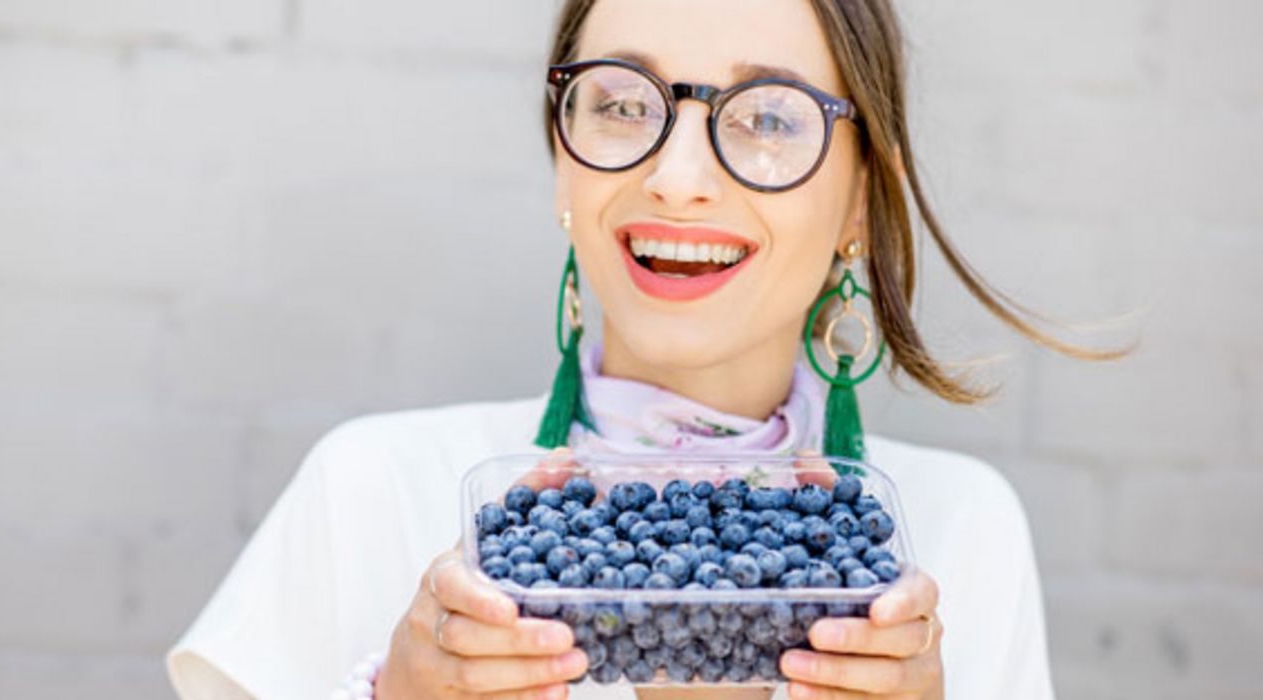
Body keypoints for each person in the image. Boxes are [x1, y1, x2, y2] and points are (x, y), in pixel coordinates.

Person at [166, 1, 1127, 698]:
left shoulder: (962, 534)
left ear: (861, 200)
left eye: (770, 118)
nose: (675, 178)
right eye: (622, 105)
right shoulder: (370, 489)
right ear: (560, 165)